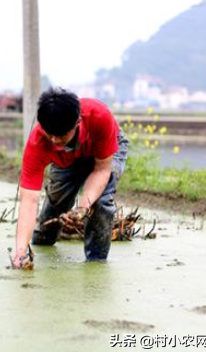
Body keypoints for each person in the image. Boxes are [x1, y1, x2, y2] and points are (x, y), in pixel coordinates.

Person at [12, 87, 129, 268]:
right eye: (49, 134)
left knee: (101, 202)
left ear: (77, 123)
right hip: (66, 159)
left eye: (61, 135)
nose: (54, 141)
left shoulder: (100, 117)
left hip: (104, 149)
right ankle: (42, 240)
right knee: (57, 199)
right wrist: (20, 252)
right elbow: (29, 200)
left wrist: (83, 207)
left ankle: (95, 263)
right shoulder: (40, 142)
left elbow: (101, 170)